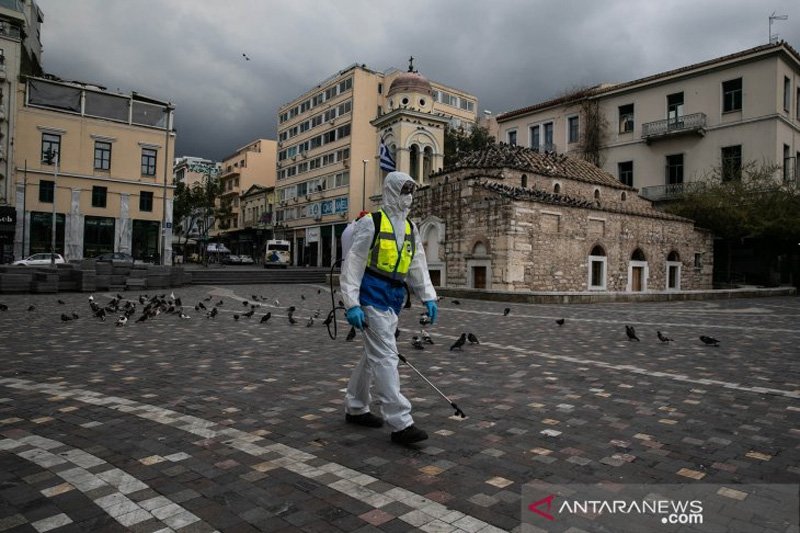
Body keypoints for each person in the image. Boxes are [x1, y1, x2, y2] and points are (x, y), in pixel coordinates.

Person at [340, 171, 438, 444]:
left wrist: (428, 296)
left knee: (373, 355)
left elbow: (418, 264)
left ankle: (356, 406)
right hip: (372, 297)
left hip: (393, 299)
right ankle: (401, 422)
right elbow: (353, 263)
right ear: (391, 192)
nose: (407, 198)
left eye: (411, 192)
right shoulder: (371, 223)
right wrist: (352, 304)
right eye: (403, 192)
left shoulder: (410, 228)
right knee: (385, 358)